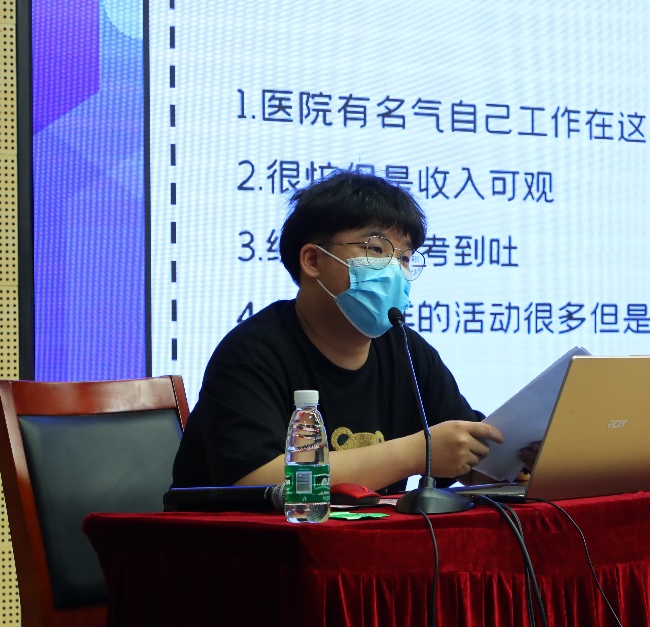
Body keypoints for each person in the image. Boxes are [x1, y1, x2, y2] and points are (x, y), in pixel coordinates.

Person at [171, 171, 508, 493]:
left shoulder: (405, 348)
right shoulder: (252, 351)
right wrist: (417, 453)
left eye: (405, 258)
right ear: (313, 260)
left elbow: (471, 461)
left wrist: (514, 460)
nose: (395, 270)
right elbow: (256, 480)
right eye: (376, 249)